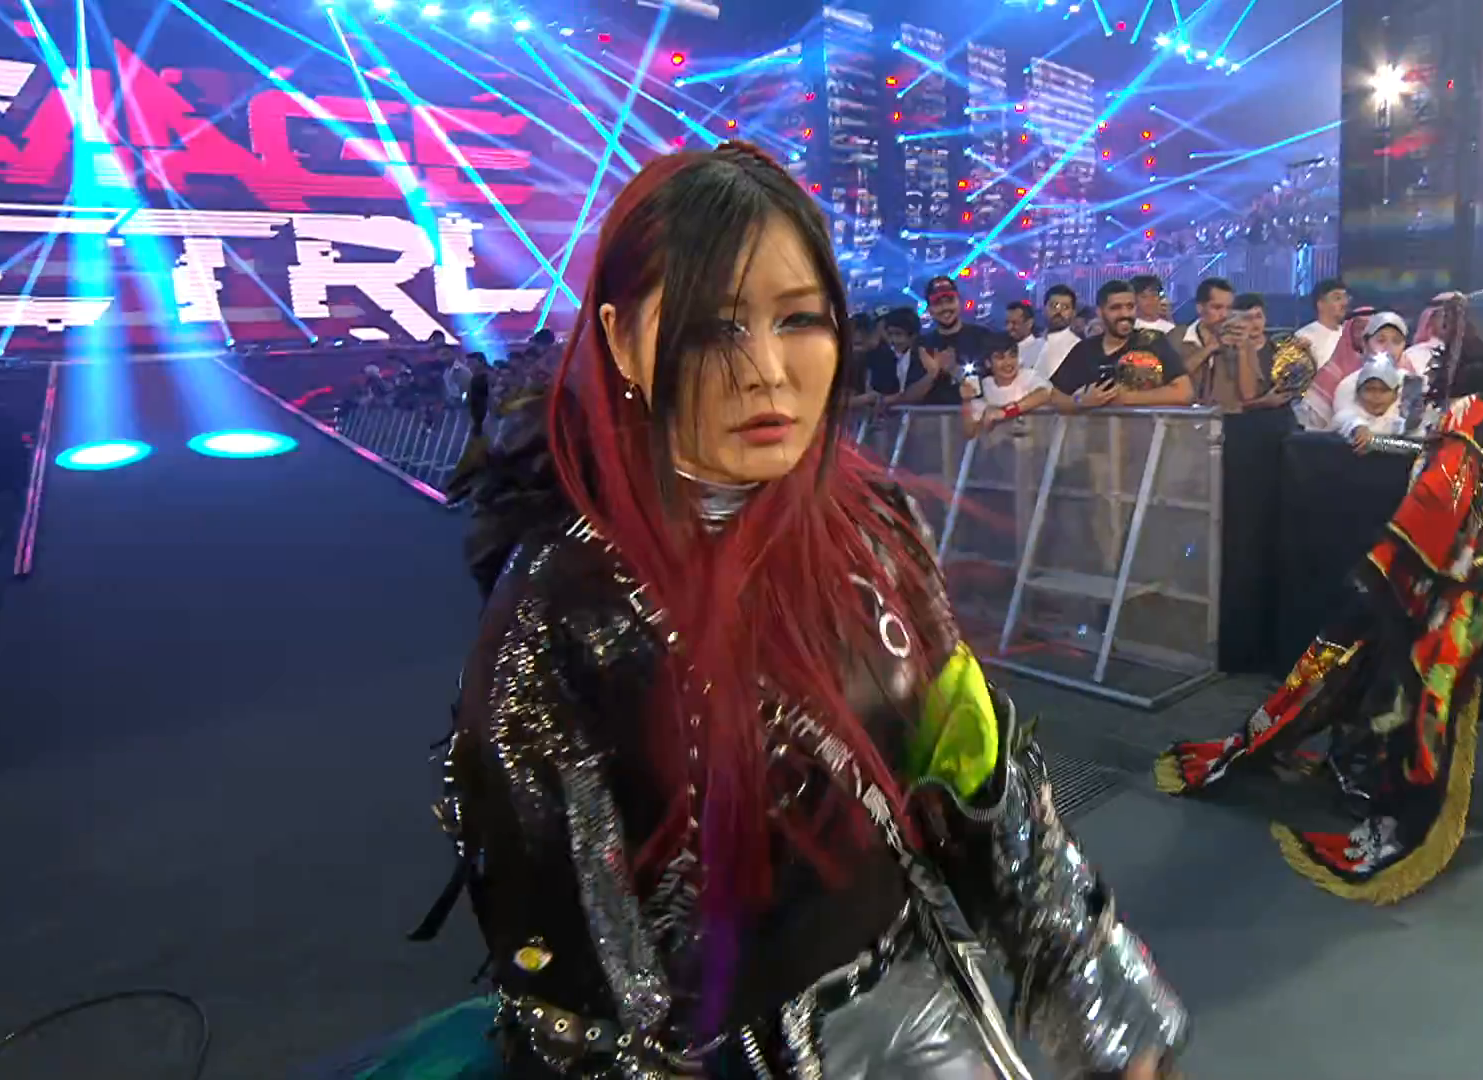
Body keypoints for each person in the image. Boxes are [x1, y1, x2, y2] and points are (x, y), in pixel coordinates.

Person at [414, 143, 1187, 1079]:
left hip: (923, 1017)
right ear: (622, 340)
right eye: (713, 329)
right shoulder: (561, 616)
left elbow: (980, 779)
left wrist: (1102, 1003)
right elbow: (582, 1014)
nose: (768, 372)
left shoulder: (873, 530)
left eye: (799, 320)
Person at [1154, 290, 1483, 906]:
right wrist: (1412, 562)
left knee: (1427, 687)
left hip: (1474, 574)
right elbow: (1437, 489)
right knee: (1440, 692)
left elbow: (1442, 480)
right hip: (1466, 579)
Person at [1053, 279, 1194, 409]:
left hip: (1144, 428)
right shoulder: (1085, 349)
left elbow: (1184, 392)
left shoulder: (1152, 341)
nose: (1125, 314)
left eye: (1130, 307)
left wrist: (1127, 398)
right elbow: (1055, 396)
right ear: (1100, 312)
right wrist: (1082, 401)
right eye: (1116, 308)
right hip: (1096, 428)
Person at [908, 276, 1004, 406]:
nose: (945, 308)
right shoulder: (922, 345)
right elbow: (909, 397)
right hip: (931, 418)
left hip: (976, 416)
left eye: (950, 301)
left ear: (960, 302)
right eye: (937, 303)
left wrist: (954, 370)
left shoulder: (983, 337)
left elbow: (998, 387)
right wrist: (932, 375)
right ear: (929, 310)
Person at [959, 335, 1052, 438]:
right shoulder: (985, 386)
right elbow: (971, 433)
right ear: (988, 363)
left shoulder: (1028, 376)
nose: (1008, 363)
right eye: (1000, 357)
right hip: (999, 447)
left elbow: (1045, 394)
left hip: (1035, 444)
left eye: (1012, 356)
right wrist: (966, 402)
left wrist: (1006, 412)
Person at [1332, 354, 1407, 450]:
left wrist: (1375, 443)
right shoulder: (1349, 414)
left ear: (1395, 394)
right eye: (1369, 389)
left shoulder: (1404, 417)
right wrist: (1358, 428)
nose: (1376, 396)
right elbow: (1343, 419)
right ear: (1358, 392)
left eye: (1384, 390)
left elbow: (1415, 445)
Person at [1297, 278, 1350, 369]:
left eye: (1346, 297)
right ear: (1320, 304)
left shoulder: (1350, 334)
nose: (1344, 303)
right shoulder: (1304, 337)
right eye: (1337, 298)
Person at [1033, 284, 1083, 381]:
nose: (1059, 312)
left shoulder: (1077, 348)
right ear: (1043, 309)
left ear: (1073, 313)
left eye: (1065, 307)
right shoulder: (1033, 343)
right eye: (1054, 306)